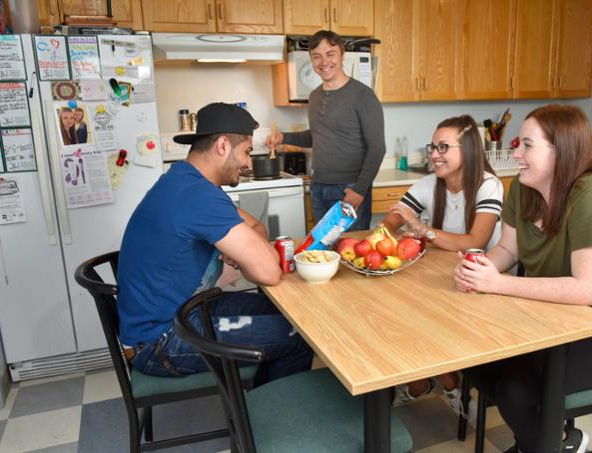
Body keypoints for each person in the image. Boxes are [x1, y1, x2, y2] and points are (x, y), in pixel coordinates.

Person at [454, 105, 592, 453]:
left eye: (527, 145)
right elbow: (508, 250)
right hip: (553, 324)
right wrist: (480, 268)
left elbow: (588, 289)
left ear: (562, 150)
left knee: (517, 390)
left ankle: (542, 446)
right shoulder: (522, 189)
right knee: (475, 362)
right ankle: (555, 442)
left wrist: (499, 284)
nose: (516, 153)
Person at [117, 102, 314, 386]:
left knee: (285, 313)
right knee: (299, 335)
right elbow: (269, 273)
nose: (248, 163)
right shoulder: (197, 195)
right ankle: (268, 422)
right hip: (161, 340)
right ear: (223, 145)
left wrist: (246, 252)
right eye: (246, 151)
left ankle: (256, 402)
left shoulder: (186, 182)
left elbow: (256, 228)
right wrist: (250, 257)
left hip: (187, 311)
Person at [381, 115, 503, 414]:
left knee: (413, 318)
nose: (434, 154)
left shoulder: (489, 185)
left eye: (444, 147)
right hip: (444, 276)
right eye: (433, 146)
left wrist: (424, 230)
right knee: (393, 311)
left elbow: (474, 241)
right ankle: (442, 381)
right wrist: (379, 235)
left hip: (482, 285)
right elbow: (395, 218)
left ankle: (432, 382)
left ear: (469, 150)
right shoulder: (429, 183)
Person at [266, 29, 385, 230]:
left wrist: (359, 190)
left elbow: (377, 148)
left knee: (351, 251)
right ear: (311, 60)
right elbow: (318, 135)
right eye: (317, 56)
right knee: (322, 252)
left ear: (341, 55)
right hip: (319, 186)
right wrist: (282, 137)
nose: (324, 62)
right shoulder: (315, 96)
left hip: (349, 187)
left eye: (330, 54)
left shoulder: (363, 95)